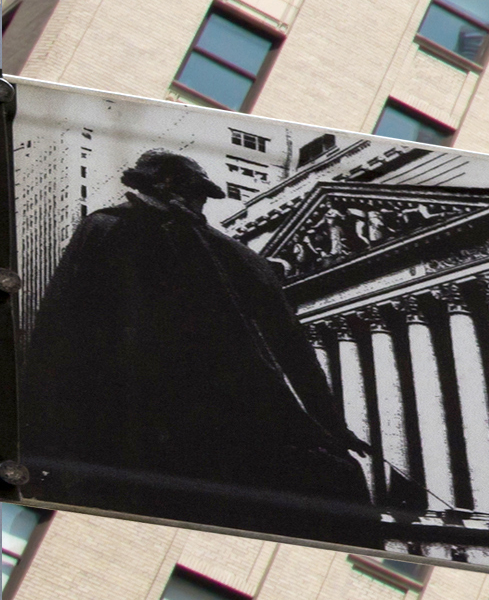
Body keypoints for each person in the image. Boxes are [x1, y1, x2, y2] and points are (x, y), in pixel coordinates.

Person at [20, 146, 388, 521]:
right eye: (198, 194)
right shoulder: (119, 230)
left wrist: (330, 424)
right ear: (168, 187)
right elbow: (293, 348)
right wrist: (329, 424)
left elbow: (58, 332)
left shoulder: (125, 231)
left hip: (160, 424)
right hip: (171, 421)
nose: (200, 205)